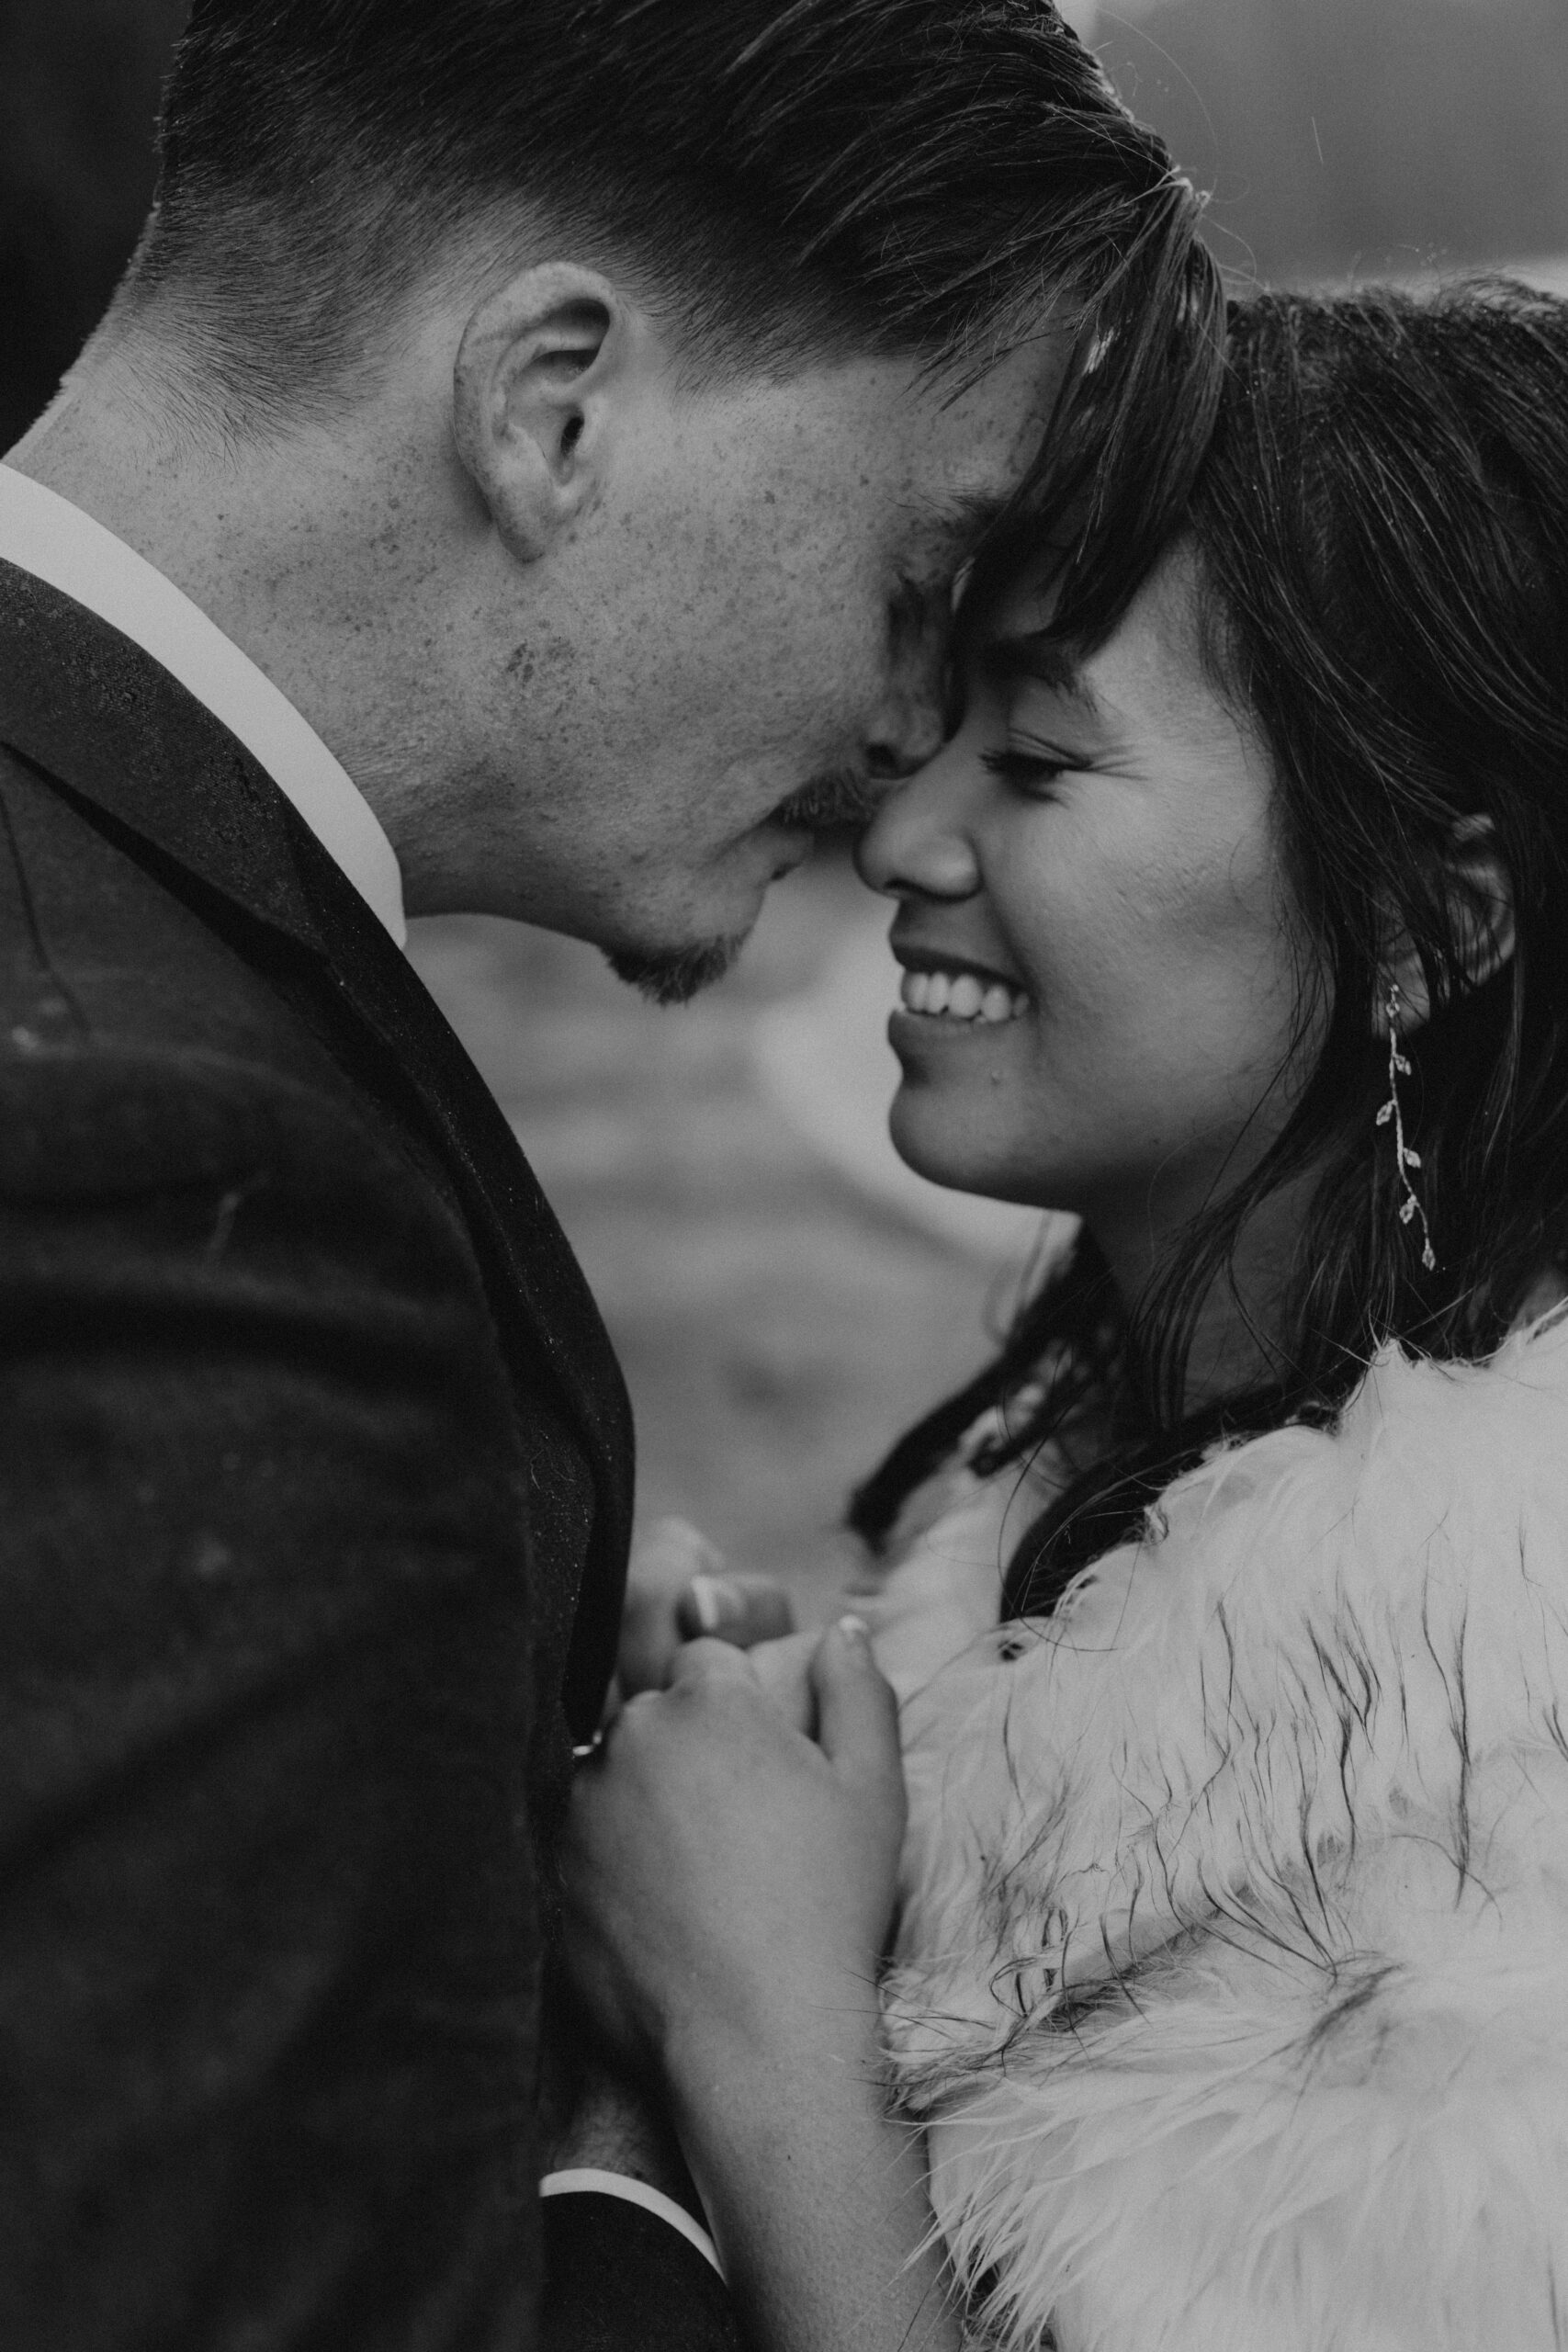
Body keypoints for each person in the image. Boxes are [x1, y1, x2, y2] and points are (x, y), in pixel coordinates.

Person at [0, 3, 1225, 2345]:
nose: (900, 761)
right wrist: (651, 2107)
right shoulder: (165, 1176)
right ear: (551, 405)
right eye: (922, 566)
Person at [561, 279, 1568, 2351]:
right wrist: (772, 1775)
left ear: (1416, 919)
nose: (906, 832)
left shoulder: (1502, 1798)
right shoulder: (1069, 1498)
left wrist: (755, 2010)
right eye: (935, 724)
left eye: (1032, 753)